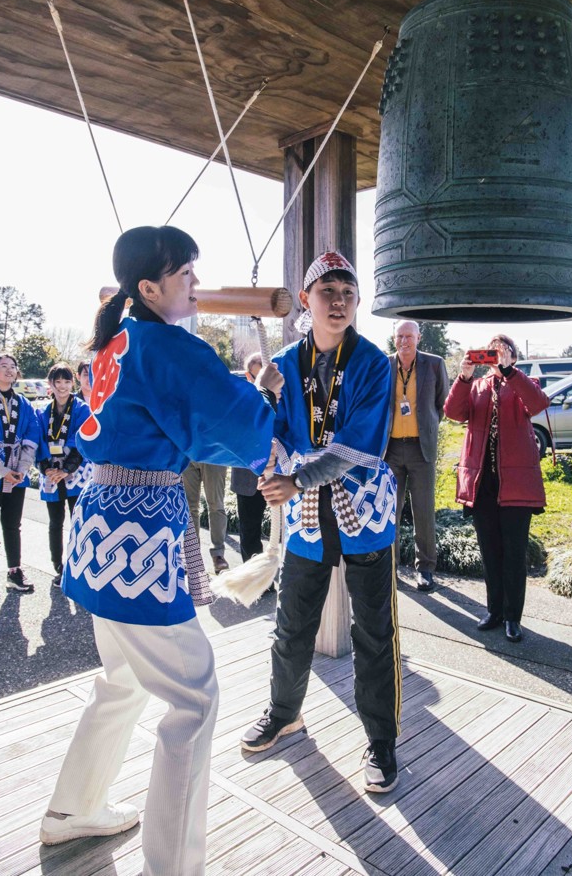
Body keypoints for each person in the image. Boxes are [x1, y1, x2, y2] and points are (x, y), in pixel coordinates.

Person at [39, 225, 283, 876]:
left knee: (120, 682)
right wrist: (282, 421)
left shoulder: (116, 339)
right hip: (138, 538)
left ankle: (72, 811)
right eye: (186, 275)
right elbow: (235, 420)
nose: (198, 284)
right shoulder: (168, 349)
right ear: (150, 287)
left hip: (101, 532)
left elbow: (192, 421)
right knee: (195, 696)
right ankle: (173, 867)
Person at [240, 251, 401, 794]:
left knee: (374, 632)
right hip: (310, 515)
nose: (338, 301)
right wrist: (270, 437)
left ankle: (381, 740)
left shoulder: (375, 362)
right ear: (305, 301)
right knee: (292, 624)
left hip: (363, 508)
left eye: (348, 293)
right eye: (326, 291)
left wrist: (295, 480)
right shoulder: (283, 364)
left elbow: (362, 447)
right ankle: (284, 712)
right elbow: (279, 433)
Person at [444, 334, 550, 643]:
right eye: (492, 353)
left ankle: (513, 616)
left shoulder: (523, 382)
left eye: (504, 353)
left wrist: (509, 372)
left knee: (514, 552)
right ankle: (494, 611)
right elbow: (453, 412)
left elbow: (537, 404)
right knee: (490, 550)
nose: (497, 358)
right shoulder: (477, 386)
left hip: (516, 484)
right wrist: (463, 378)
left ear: (514, 357)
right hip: (483, 483)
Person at [386, 320, 449, 592]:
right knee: (390, 512)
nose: (404, 341)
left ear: (418, 338)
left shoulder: (434, 364)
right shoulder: (384, 365)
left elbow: (441, 404)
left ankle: (425, 568)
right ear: (394, 338)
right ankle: (390, 568)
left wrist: (426, 427)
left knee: (423, 511)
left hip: (421, 448)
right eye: (400, 336)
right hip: (390, 450)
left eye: (409, 336)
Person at [0, 352, 39, 600]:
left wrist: (20, 469)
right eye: (4, 366)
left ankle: (14, 571)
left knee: (12, 524)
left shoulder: (24, 404)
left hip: (17, 474)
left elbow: (32, 435)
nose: (10, 370)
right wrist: (3, 470)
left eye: (13, 366)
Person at [36, 362, 91, 586]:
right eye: (57, 381)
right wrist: (46, 467)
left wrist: (65, 470)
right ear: (50, 384)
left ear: (72, 382)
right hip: (50, 472)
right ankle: (58, 566)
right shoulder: (42, 411)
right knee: (55, 522)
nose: (62, 386)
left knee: (78, 520)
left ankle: (77, 563)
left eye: (66, 381)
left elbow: (81, 443)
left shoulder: (81, 409)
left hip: (75, 472)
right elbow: (37, 441)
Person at [230, 353, 268, 562]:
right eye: (257, 377)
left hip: (279, 473)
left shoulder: (283, 397)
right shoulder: (239, 400)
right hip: (247, 476)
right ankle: (255, 581)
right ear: (248, 375)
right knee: (249, 531)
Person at [182, 460, 229, 574]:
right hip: (188, 453)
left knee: (216, 506)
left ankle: (218, 555)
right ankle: (192, 556)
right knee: (189, 508)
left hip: (213, 454)